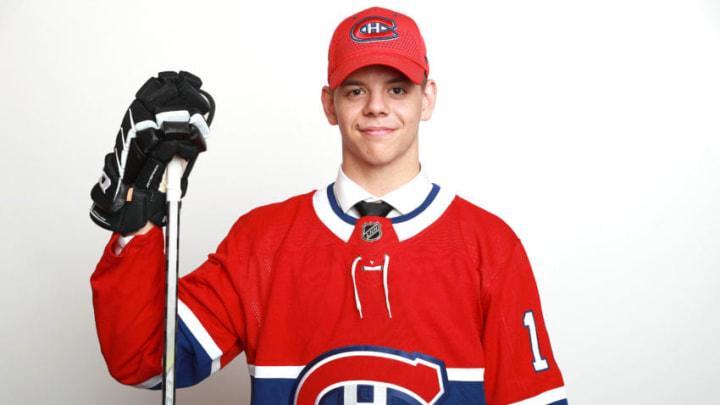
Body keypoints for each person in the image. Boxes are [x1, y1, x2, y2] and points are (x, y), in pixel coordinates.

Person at [90, 6, 568, 405]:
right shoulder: (263, 241)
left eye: (397, 89)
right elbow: (147, 361)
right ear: (328, 103)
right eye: (356, 90)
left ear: (428, 100)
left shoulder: (489, 246)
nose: (377, 107)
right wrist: (139, 221)